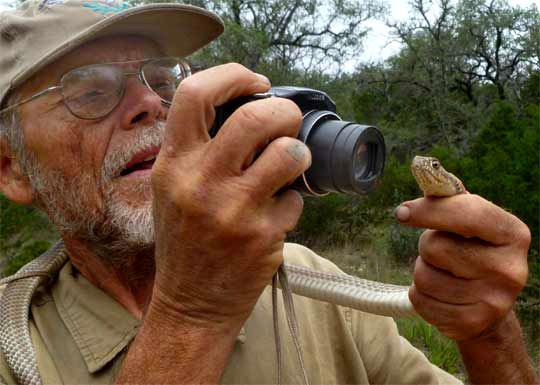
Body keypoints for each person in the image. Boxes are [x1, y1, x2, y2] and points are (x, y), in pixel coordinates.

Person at [0, 1, 536, 384]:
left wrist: (485, 329)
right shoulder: (12, 343)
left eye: (162, 80)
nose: (151, 104)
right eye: (90, 91)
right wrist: (193, 314)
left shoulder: (314, 282)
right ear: (11, 169)